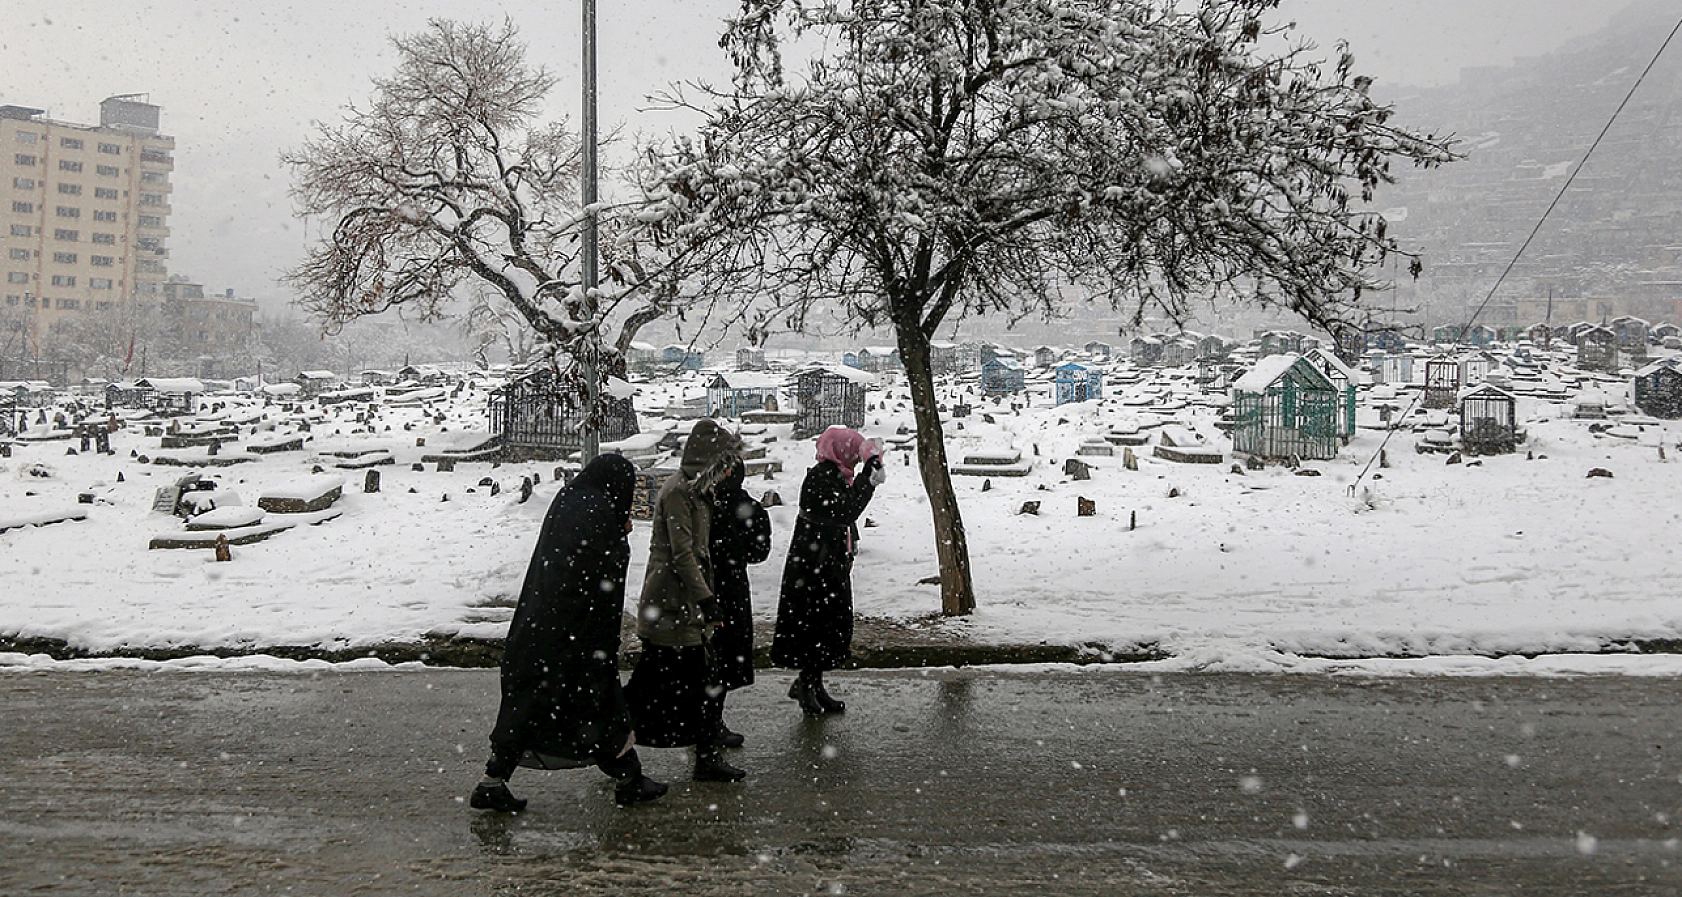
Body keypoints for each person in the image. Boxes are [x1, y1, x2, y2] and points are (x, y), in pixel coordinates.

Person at [473, 453, 667, 813]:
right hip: (577, 632)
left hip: (542, 627)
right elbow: (601, 571)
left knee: (528, 706)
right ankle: (628, 778)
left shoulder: (573, 499)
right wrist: (618, 536)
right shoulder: (596, 511)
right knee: (601, 704)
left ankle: (492, 781)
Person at [625, 419, 748, 782]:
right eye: (724, 462)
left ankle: (702, 754)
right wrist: (707, 599)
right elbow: (683, 555)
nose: (729, 470)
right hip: (671, 604)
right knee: (667, 681)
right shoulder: (680, 492)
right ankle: (614, 740)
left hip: (685, 605)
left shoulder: (699, 491)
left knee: (696, 679)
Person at [771, 425, 884, 715]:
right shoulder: (820, 478)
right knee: (815, 625)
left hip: (825, 562)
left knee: (826, 625)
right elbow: (845, 511)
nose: (857, 462)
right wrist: (867, 482)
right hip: (813, 567)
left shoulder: (836, 476)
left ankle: (812, 683)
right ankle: (807, 684)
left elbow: (846, 517)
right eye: (855, 455)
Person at [708, 458, 773, 747]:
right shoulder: (743, 507)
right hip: (729, 589)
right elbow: (759, 551)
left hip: (706, 586)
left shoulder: (705, 503)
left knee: (710, 657)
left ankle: (707, 722)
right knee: (722, 659)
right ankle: (709, 724)